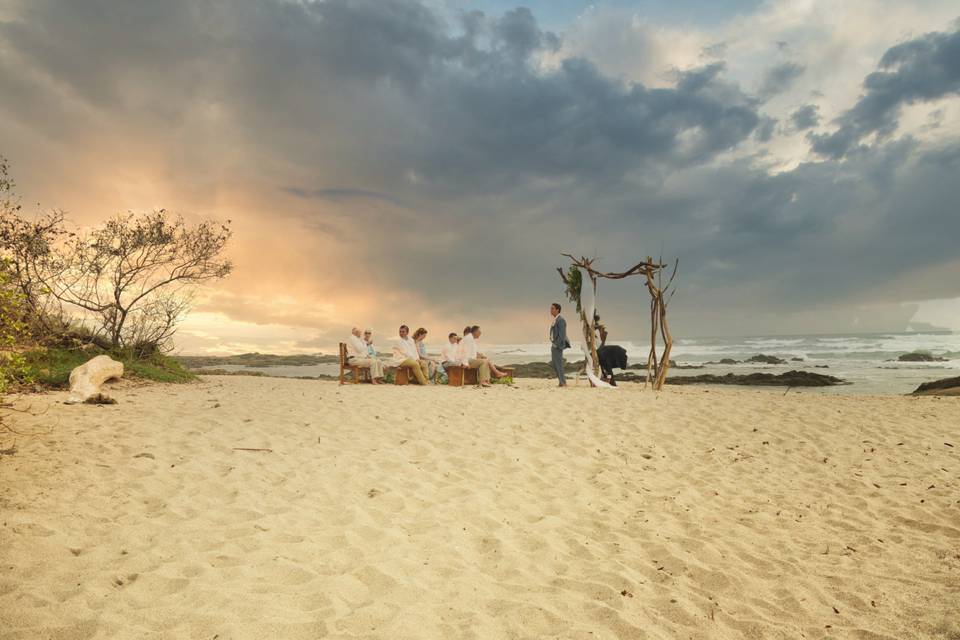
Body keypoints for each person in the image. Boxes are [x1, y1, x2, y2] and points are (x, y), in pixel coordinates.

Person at [549, 303, 570, 387]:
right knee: (555, 363)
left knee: (558, 364)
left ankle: (563, 382)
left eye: (552, 308)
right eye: (551, 308)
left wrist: (556, 345)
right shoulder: (556, 319)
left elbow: (562, 335)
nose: (551, 310)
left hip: (557, 346)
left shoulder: (561, 320)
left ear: (557, 310)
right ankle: (561, 382)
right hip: (554, 345)